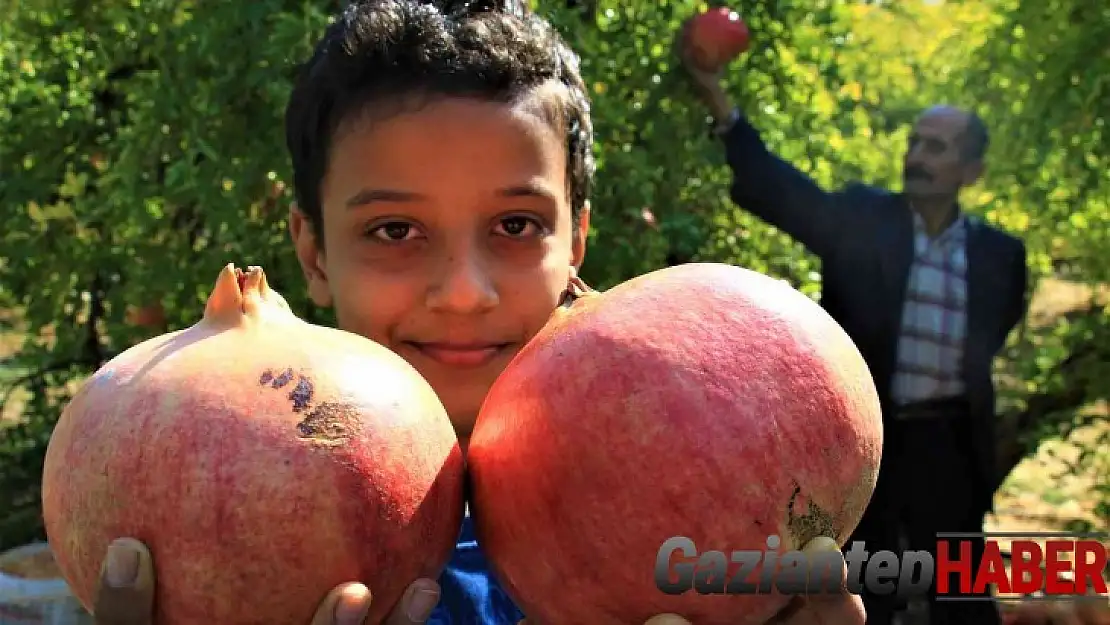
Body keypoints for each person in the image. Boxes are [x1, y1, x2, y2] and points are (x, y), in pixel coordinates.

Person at [86, 2, 867, 624]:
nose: (464, 291)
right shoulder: (222, 487)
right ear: (314, 252)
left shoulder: (686, 440)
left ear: (577, 239)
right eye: (395, 231)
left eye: (516, 226)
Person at [680, 30, 1029, 625]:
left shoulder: (1000, 254)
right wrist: (718, 100)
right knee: (867, 584)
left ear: (971, 170)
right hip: (869, 444)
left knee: (962, 591)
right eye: (916, 141)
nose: (918, 154)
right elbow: (780, 191)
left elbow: (999, 326)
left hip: (950, 444)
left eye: (938, 147)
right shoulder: (864, 221)